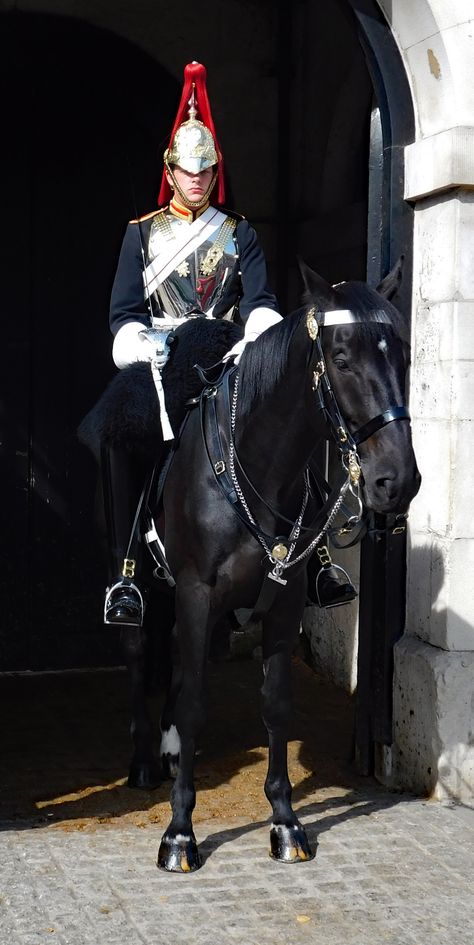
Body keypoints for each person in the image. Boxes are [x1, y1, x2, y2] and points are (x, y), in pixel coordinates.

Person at [102, 60, 356, 627]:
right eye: (188, 172)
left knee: (298, 417)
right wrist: (142, 345)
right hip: (162, 361)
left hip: (225, 354)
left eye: (206, 172)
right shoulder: (141, 234)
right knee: (118, 437)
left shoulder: (239, 231)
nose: (198, 181)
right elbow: (122, 313)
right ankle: (127, 574)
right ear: (171, 170)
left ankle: (315, 562)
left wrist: (255, 342)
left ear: (216, 173)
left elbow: (262, 300)